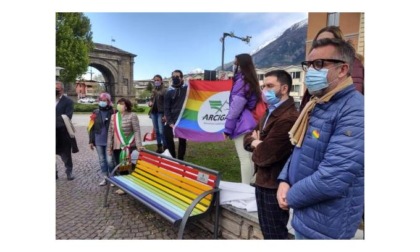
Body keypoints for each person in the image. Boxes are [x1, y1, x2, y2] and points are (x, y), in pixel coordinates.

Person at [277, 38, 364, 239]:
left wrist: (290, 196)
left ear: (342, 70)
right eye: (308, 65)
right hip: (307, 216)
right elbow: (299, 147)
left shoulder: (355, 110)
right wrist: (284, 179)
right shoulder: (321, 103)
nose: (310, 72)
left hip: (327, 228)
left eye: (318, 64)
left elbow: (334, 177)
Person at [243, 70, 298, 239]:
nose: (264, 90)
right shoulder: (268, 112)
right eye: (263, 86)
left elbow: (264, 156)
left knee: (275, 234)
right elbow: (247, 138)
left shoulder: (288, 117)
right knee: (267, 232)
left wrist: (257, 143)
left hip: (273, 185)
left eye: (269, 86)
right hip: (262, 181)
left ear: (284, 88)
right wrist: (256, 143)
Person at [299, 25, 364, 111]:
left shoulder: (354, 65)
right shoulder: (315, 66)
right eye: (319, 42)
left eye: (328, 42)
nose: (322, 45)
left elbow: (351, 100)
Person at [224, 53, 261, 184]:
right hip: (248, 122)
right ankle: (252, 185)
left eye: (235, 63)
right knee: (250, 158)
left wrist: (227, 129)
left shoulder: (242, 81)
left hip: (242, 125)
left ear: (241, 65)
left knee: (245, 159)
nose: (233, 65)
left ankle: (245, 189)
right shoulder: (248, 80)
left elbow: (235, 108)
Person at [107, 98, 143, 194]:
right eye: (118, 103)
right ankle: (124, 185)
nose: (119, 105)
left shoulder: (132, 115)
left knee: (126, 166)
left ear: (126, 106)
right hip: (116, 145)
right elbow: (110, 132)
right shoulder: (113, 117)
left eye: (121, 104)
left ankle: (126, 187)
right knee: (119, 166)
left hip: (127, 145)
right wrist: (109, 147)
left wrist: (139, 145)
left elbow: (136, 130)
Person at [88, 92, 116, 186]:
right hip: (98, 140)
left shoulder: (113, 112)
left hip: (109, 140)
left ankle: (113, 178)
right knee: (102, 160)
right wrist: (91, 141)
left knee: (110, 160)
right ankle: (105, 177)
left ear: (108, 101)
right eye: (101, 100)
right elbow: (91, 127)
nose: (102, 102)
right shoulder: (95, 112)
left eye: (104, 100)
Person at [163, 70, 188, 160]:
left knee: (182, 141)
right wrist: (170, 122)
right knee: (169, 139)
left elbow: (200, 88)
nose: (175, 78)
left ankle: (181, 159)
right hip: (171, 120)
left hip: (182, 119)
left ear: (181, 78)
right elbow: (166, 108)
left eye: (177, 76)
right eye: (173, 76)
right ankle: (173, 158)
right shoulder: (168, 91)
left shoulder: (187, 89)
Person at [56, 81, 75, 180]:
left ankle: (69, 172)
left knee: (66, 153)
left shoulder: (68, 101)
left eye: (57, 89)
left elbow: (68, 116)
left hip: (63, 132)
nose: (55, 91)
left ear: (62, 89)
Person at [148, 74, 167, 153]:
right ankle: (159, 147)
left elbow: (167, 103)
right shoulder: (153, 90)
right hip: (153, 113)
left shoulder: (164, 90)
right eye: (155, 80)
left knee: (161, 131)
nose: (156, 81)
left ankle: (166, 148)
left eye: (158, 80)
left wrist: (165, 115)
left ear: (161, 81)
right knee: (156, 131)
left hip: (161, 113)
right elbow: (152, 100)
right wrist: (150, 103)